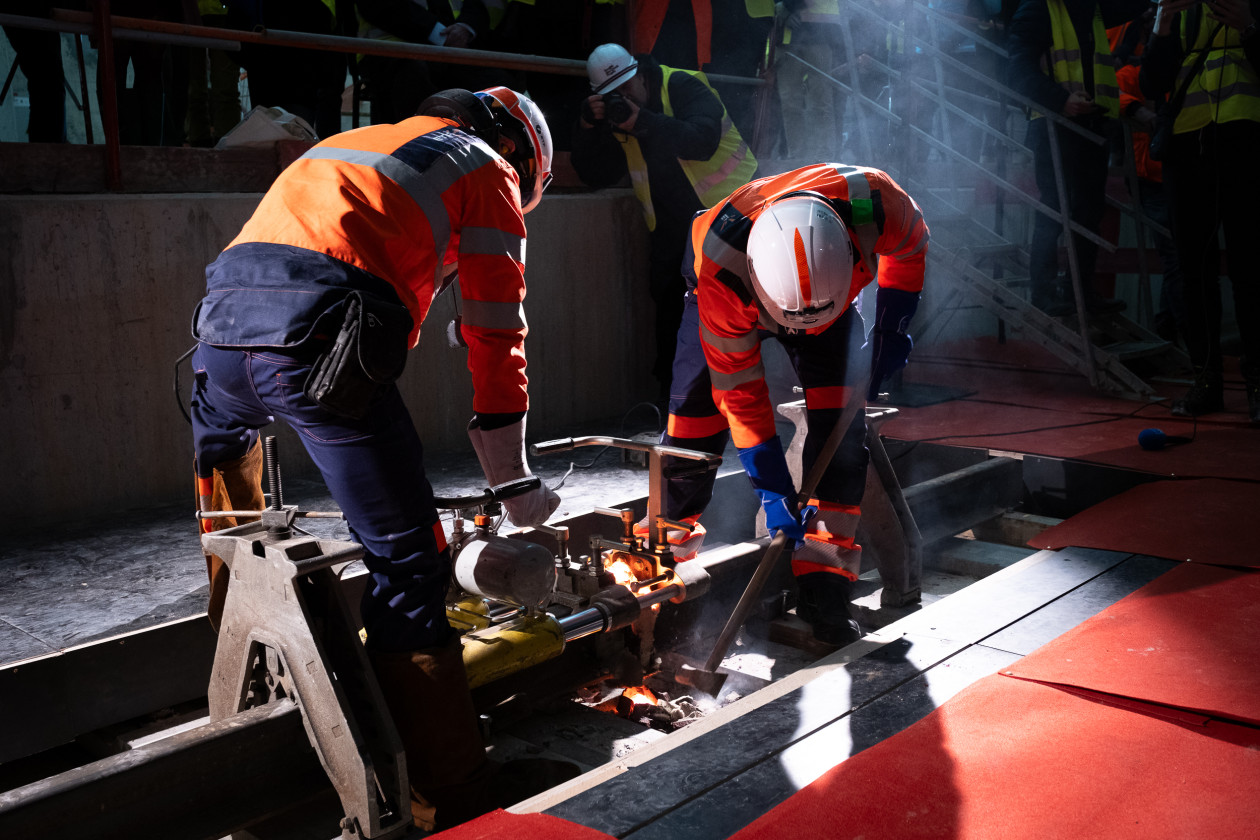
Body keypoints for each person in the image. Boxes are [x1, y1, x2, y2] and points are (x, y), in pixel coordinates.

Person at [189, 87, 571, 830]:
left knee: (227, 505)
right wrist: (511, 479)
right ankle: (452, 794)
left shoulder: (356, 142)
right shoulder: (487, 167)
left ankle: (245, 667)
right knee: (409, 564)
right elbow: (497, 331)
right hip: (317, 349)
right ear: (520, 151)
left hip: (218, 345)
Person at [657, 163, 929, 647]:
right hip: (728, 282)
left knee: (842, 440)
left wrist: (893, 322)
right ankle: (664, 569)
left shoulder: (876, 202)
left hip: (835, 305)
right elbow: (741, 396)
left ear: (850, 251)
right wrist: (772, 488)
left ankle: (825, 584)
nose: (799, 336)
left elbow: (909, 250)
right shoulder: (724, 275)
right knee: (692, 430)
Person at [570, 43, 759, 399]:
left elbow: (701, 142)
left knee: (739, 307)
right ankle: (675, 402)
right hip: (671, 226)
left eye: (626, 89)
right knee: (671, 311)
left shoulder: (685, 85)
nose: (622, 99)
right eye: (612, 95)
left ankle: (743, 394)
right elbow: (596, 174)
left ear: (640, 74)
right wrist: (587, 127)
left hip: (734, 214)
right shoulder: (615, 115)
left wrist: (640, 121)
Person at [1141, 0, 1260, 423]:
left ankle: (1257, 385)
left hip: (1246, 146)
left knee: (1251, 271)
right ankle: (1206, 382)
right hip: (1188, 154)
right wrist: (1163, 26)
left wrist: (1248, 27)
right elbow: (1152, 81)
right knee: (1194, 271)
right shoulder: (1179, 10)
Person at [1007, 0, 1147, 315]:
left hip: (1092, 125)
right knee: (1056, 208)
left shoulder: (1091, 6)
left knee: (1088, 212)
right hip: (1054, 124)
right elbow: (1016, 70)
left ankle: (1080, 293)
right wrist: (1061, 101)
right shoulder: (1037, 9)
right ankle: (1043, 293)